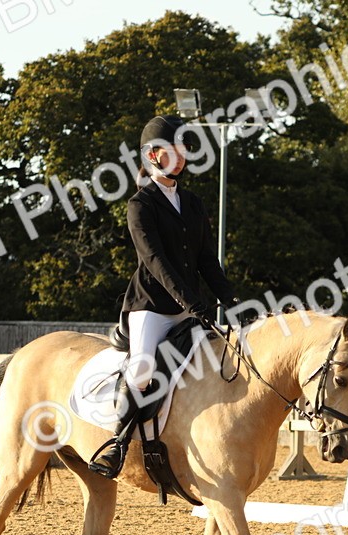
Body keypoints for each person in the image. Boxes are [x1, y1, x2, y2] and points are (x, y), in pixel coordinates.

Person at [88, 114, 237, 479]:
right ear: (153, 155)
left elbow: (206, 260)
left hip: (191, 308)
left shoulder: (193, 203)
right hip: (151, 308)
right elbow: (155, 262)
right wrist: (193, 303)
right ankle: (117, 444)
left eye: (185, 149)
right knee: (141, 371)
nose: (183, 155)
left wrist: (231, 301)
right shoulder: (141, 205)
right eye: (175, 149)